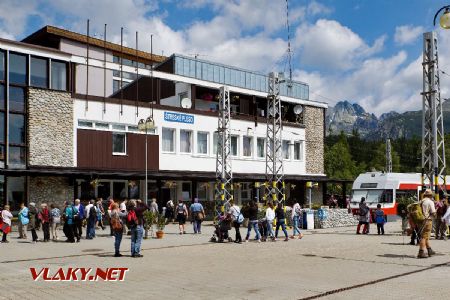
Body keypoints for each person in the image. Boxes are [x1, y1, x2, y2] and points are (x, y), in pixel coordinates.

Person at [418, 189, 437, 258]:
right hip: (427, 220)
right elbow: (433, 212)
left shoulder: (421, 201)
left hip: (420, 220)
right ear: (431, 195)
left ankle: (429, 250)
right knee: (424, 236)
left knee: (425, 235)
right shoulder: (430, 202)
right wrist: (435, 214)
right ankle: (421, 252)